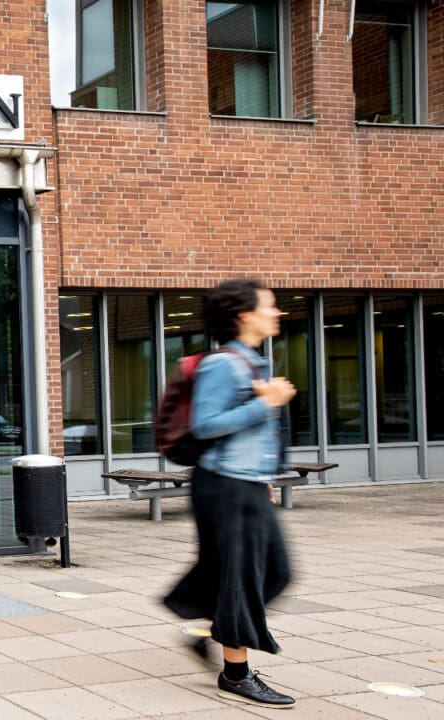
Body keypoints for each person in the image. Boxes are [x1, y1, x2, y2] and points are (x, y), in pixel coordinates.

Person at [164, 278, 297, 709]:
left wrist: (263, 475)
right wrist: (266, 403)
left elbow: (250, 437)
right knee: (240, 578)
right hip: (223, 486)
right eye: (269, 305)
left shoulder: (252, 362)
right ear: (244, 315)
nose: (277, 312)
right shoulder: (224, 365)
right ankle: (235, 673)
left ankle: (215, 630)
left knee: (277, 573)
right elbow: (205, 425)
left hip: (245, 483)